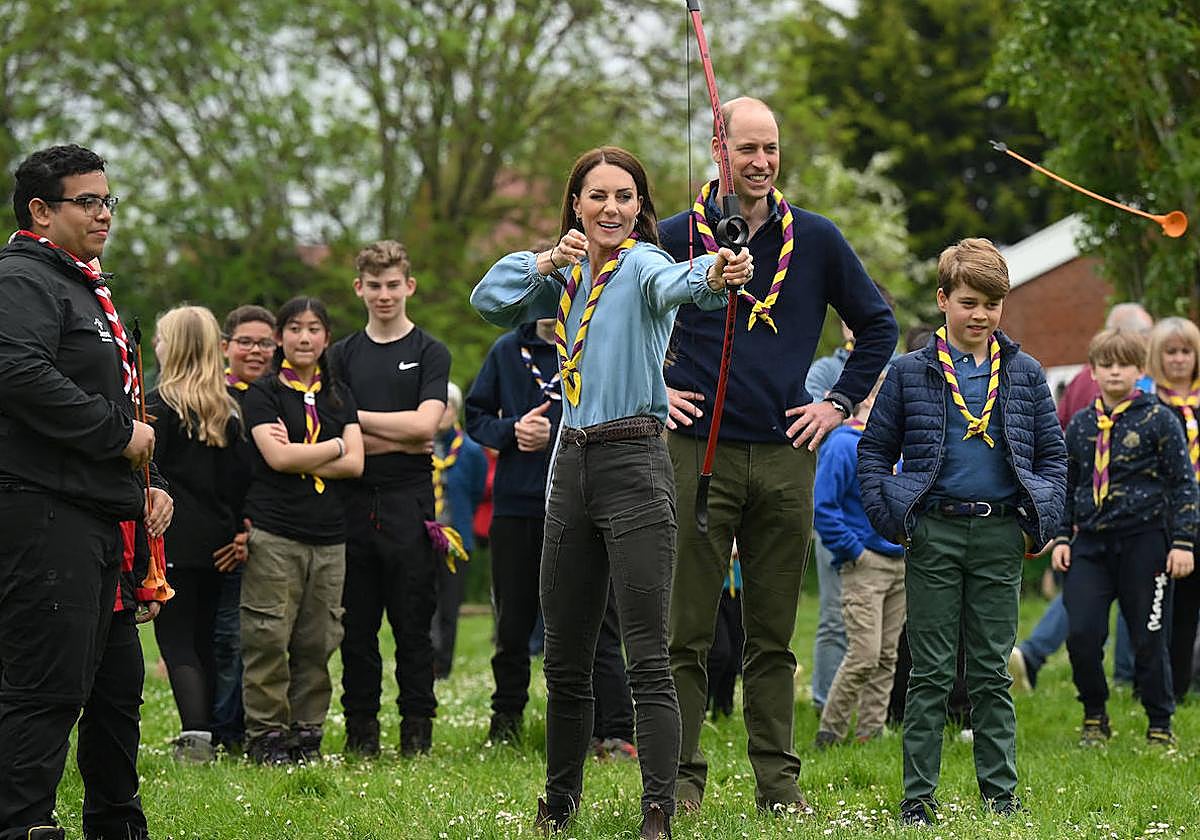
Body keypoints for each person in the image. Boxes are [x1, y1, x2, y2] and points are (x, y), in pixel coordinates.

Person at [471, 144, 752, 839]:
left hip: (634, 463)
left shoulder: (644, 266)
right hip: (569, 466)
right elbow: (486, 301)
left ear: (639, 207)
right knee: (565, 655)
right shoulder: (561, 279)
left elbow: (682, 283)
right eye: (597, 196)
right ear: (575, 204)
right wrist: (543, 261)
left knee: (647, 652)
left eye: (624, 197)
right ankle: (558, 803)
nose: (611, 209)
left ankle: (657, 810)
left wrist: (718, 269)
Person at [660, 97, 897, 815]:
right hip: (696, 453)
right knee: (688, 633)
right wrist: (654, 387)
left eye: (771, 148)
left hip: (787, 456)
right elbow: (614, 320)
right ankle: (679, 783)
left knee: (773, 636)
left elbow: (879, 325)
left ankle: (778, 786)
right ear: (717, 149)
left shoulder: (816, 240)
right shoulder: (675, 238)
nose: (760, 162)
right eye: (747, 148)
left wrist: (837, 404)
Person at [859, 237, 1067, 825]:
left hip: (1000, 535)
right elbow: (874, 451)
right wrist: (895, 518)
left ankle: (1001, 798)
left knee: (991, 671)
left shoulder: (1025, 373)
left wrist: (1039, 524)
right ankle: (917, 802)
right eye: (969, 302)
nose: (980, 315)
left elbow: (1053, 457)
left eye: (992, 304)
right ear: (943, 299)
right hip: (934, 533)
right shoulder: (907, 372)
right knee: (927, 672)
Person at [0, 144, 171, 840]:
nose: (104, 213)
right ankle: (21, 824)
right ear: (41, 210)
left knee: (115, 688)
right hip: (43, 508)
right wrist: (116, 436)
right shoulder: (21, 280)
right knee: (47, 686)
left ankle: (116, 822)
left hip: (103, 514)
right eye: (88, 201)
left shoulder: (82, 283)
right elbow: (16, 372)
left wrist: (144, 488)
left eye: (109, 200)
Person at [328, 240, 450, 757]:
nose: (384, 295)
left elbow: (428, 426)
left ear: (409, 286)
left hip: (410, 503)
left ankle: (417, 735)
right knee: (356, 630)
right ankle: (361, 735)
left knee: (412, 627)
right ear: (359, 288)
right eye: (374, 286)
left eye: (392, 285)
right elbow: (334, 434)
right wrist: (390, 431)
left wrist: (356, 423)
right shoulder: (340, 355)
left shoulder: (429, 351)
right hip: (352, 502)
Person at [1054, 328, 1196, 746]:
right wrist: (1062, 537)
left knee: (1148, 637)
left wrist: (1183, 542)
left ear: (1140, 370)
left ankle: (1159, 722)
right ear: (1094, 371)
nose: (1115, 372)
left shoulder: (1159, 420)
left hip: (1145, 542)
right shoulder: (1081, 426)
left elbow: (1183, 484)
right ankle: (1095, 715)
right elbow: (1068, 484)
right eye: (1106, 364)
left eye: (1124, 364)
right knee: (1081, 634)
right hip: (1091, 545)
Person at [240, 297, 364, 764]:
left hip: (330, 537)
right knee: (268, 636)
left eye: (314, 328)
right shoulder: (264, 393)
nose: (305, 337)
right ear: (280, 338)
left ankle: (306, 734)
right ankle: (266, 736)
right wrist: (334, 444)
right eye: (294, 328)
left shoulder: (340, 396)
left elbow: (356, 464)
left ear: (327, 338)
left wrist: (305, 453)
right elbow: (277, 458)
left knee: (318, 640)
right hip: (276, 532)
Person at [1010, 303, 1153, 691]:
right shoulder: (1129, 388)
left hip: (1075, 501)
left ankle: (1035, 653)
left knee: (1081, 588)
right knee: (1119, 590)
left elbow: (1054, 437)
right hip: (1108, 507)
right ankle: (1125, 675)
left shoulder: (1077, 380)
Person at [148, 306, 242, 763]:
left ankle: (196, 736)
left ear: (178, 348)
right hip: (219, 543)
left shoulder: (157, 407)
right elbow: (238, 484)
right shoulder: (228, 411)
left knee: (177, 640)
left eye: (161, 340)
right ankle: (217, 731)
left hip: (172, 540)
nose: (156, 348)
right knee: (206, 638)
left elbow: (148, 472)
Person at [466, 318, 562, 743]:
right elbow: (476, 416)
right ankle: (505, 724)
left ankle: (594, 727)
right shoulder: (507, 350)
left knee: (584, 623)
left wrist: (554, 431)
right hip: (515, 505)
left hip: (575, 501)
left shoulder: (589, 343)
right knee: (512, 623)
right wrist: (513, 430)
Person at [814, 372, 906, 748]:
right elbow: (824, 507)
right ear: (866, 399)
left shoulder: (898, 448)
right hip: (865, 565)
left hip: (900, 562)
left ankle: (871, 731)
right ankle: (830, 731)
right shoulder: (843, 445)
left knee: (887, 656)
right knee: (864, 654)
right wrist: (854, 551)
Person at [211, 304, 277, 752]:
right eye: (246, 342)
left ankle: (239, 730)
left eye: (265, 343)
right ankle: (215, 728)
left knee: (252, 638)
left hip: (267, 529)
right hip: (218, 532)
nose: (255, 351)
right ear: (225, 347)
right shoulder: (213, 397)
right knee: (220, 637)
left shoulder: (281, 395)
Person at [1147, 317, 1200, 702]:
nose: (1179, 360)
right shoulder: (1148, 404)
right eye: (1171, 352)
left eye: (1186, 352)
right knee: (1167, 608)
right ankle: (1166, 686)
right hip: (1164, 517)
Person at [430, 382, 487, 679]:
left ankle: (443, 666)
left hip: (456, 539)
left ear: (455, 411)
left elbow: (477, 490)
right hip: (422, 537)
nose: (441, 412)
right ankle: (423, 660)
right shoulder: (419, 444)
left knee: (449, 607)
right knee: (423, 603)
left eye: (447, 406)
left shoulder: (471, 451)